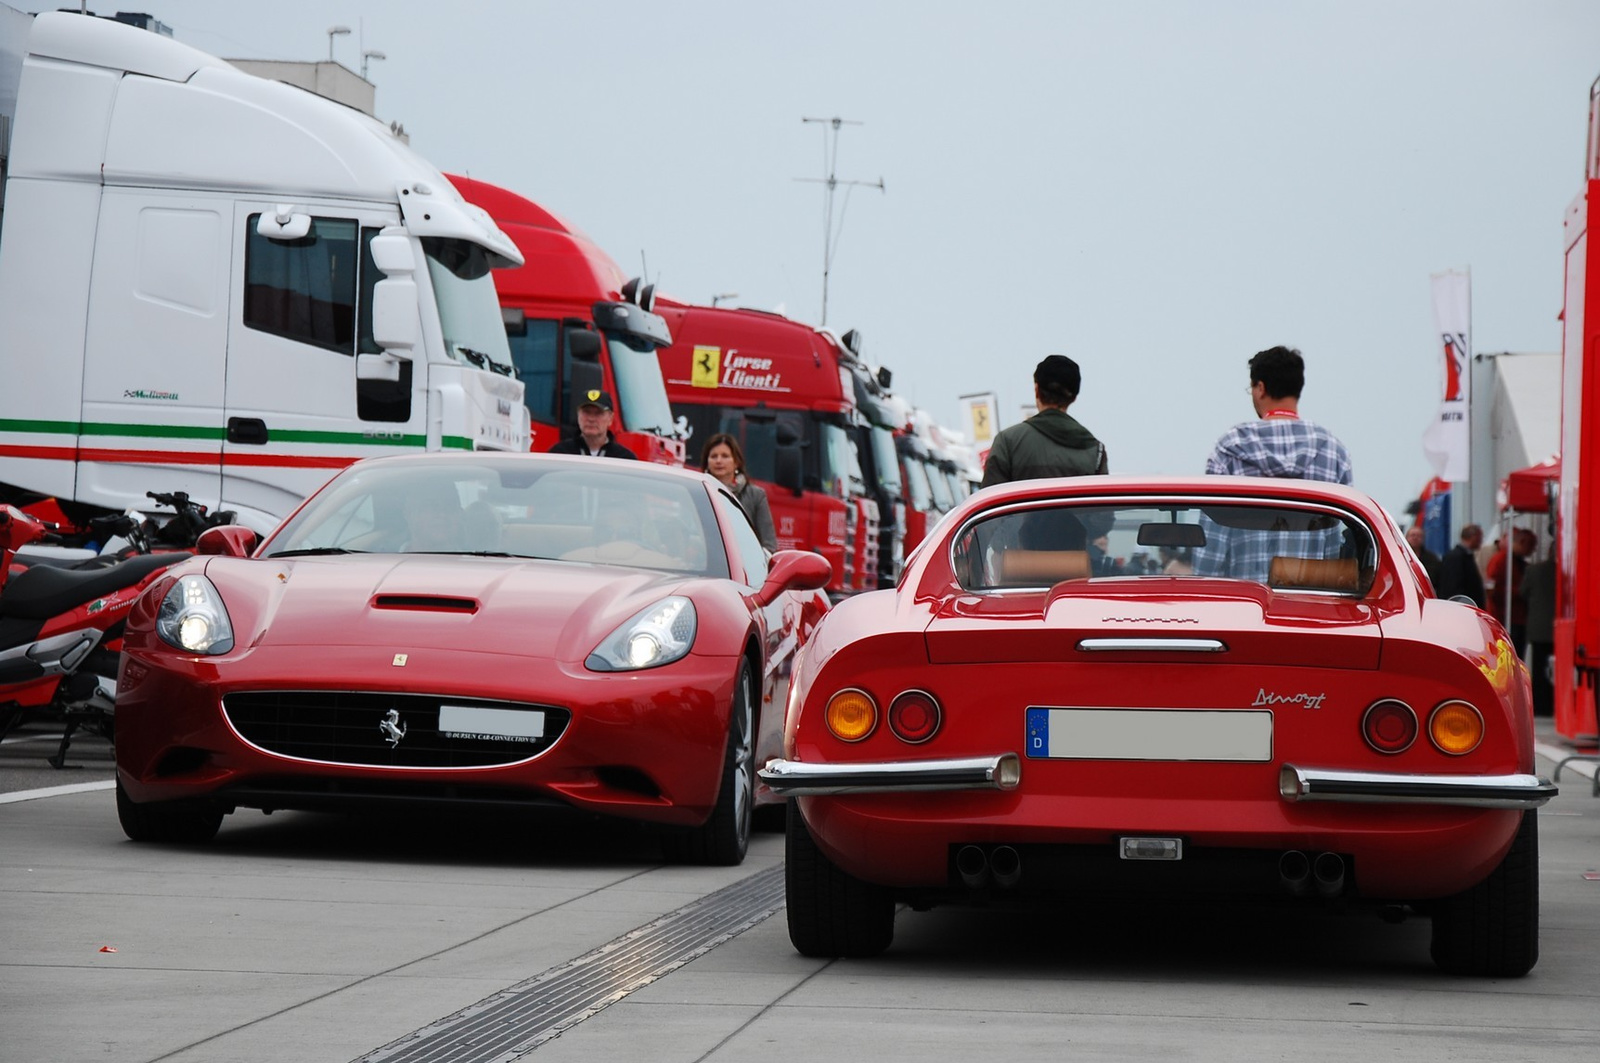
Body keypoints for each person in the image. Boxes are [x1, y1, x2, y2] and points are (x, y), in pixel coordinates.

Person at [1204, 345, 1352, 485]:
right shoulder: (1334, 450)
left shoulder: (1230, 446)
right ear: (1298, 386)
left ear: (1261, 388)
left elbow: (1209, 507)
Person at [980, 354, 1107, 487]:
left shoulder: (1008, 442)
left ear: (1037, 391)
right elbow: (1103, 505)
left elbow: (988, 499)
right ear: (1074, 397)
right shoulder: (1095, 450)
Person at [701, 432, 777, 551]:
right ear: (707, 462)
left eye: (725, 456)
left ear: (736, 462)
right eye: (714, 456)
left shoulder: (756, 496)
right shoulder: (699, 494)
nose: (719, 461)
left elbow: (769, 545)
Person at [547, 389, 638, 459]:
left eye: (598, 413)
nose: (591, 419)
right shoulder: (560, 453)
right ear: (578, 415)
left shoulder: (624, 458)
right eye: (586, 412)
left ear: (610, 418)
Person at [1485, 527, 1536, 650]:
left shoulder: (1517, 561)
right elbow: (1491, 588)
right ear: (1522, 542)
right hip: (1505, 616)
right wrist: (1517, 593)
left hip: (1517, 616)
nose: (1532, 551)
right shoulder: (1501, 560)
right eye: (1531, 546)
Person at [1522, 540, 1555, 717]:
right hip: (1557, 626)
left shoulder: (1533, 570)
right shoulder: (1566, 572)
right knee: (1555, 671)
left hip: (1538, 627)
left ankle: (1540, 706)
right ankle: (1553, 704)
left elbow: (1523, 592)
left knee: (1539, 668)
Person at [1437, 523, 1486, 607]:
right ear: (1473, 537)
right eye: (1480, 537)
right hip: (1461, 607)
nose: (1481, 541)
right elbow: (1452, 587)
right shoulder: (1456, 557)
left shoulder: (1465, 556)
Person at [1405, 524, 1445, 590]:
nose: (1415, 538)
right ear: (1406, 538)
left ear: (1423, 539)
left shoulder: (1432, 559)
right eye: (1412, 535)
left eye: (1419, 536)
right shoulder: (1401, 558)